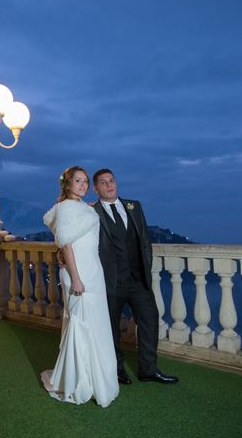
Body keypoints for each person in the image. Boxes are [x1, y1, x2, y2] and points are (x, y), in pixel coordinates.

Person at [41, 166, 119, 407]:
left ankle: (98, 380)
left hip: (93, 271)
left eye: (85, 181)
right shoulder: (65, 209)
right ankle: (81, 382)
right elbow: (67, 246)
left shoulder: (85, 208)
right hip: (79, 274)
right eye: (78, 181)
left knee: (95, 326)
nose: (83, 185)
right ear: (67, 184)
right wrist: (75, 277)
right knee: (80, 325)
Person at [92, 168, 178, 385]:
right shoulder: (92, 213)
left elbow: (144, 240)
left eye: (112, 180)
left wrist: (145, 268)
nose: (109, 185)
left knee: (149, 320)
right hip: (111, 282)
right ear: (95, 188)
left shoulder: (134, 206)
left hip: (139, 279)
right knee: (111, 328)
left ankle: (148, 369)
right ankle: (117, 370)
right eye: (103, 182)